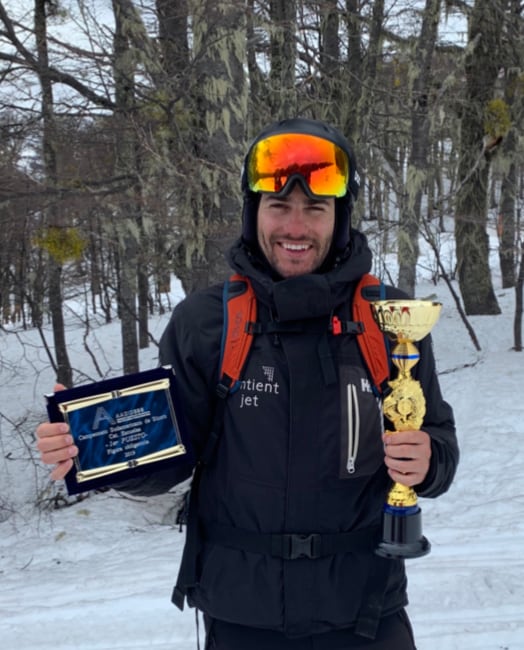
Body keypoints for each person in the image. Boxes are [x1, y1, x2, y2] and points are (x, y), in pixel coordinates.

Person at [36, 118, 458, 649]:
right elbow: (170, 459)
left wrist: (429, 461)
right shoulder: (206, 323)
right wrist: (92, 447)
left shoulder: (391, 319)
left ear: (341, 217)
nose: (296, 227)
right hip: (240, 617)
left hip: (367, 613)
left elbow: (439, 441)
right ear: (253, 212)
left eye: (315, 208)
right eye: (279, 206)